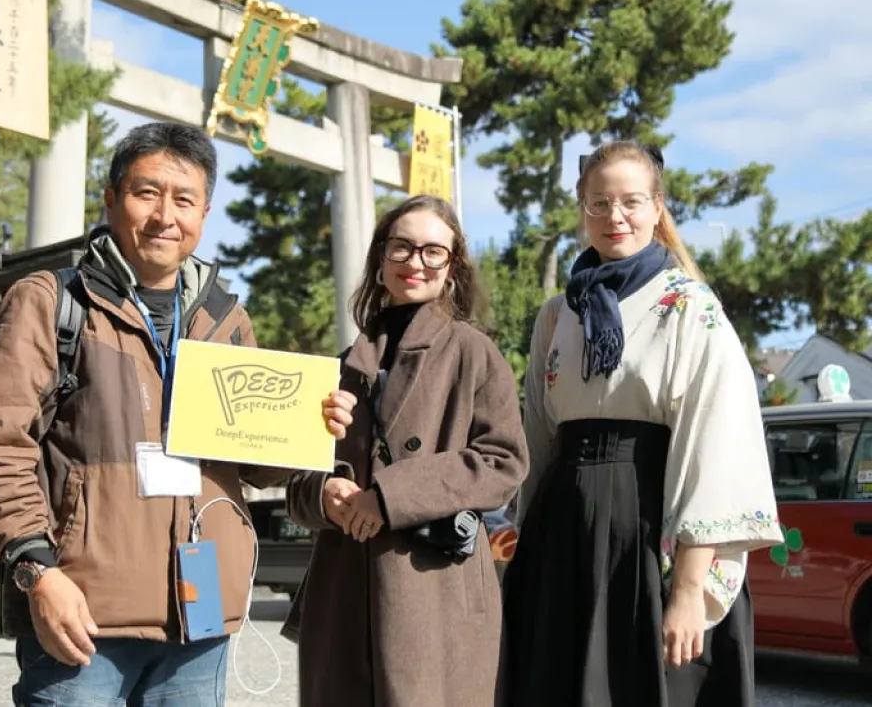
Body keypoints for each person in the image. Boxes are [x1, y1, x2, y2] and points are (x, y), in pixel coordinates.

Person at [0, 122, 355, 707]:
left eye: (184, 200)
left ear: (204, 214)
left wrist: (310, 425)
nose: (166, 215)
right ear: (112, 199)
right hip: (84, 608)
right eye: (147, 193)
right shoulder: (53, 302)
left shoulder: (224, 319)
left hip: (201, 611)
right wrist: (36, 568)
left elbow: (254, 465)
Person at [502, 141, 782, 706]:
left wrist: (689, 587)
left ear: (657, 208)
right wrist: (522, 541)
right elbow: (537, 432)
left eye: (631, 201)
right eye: (599, 202)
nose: (616, 216)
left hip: (653, 525)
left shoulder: (690, 307)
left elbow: (716, 445)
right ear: (582, 209)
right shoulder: (557, 314)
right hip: (564, 530)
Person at [288, 194, 530, 707]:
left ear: (453, 267)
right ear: (381, 258)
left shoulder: (474, 353)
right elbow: (298, 480)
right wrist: (324, 493)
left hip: (434, 591)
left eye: (433, 251)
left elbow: (503, 461)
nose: (415, 262)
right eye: (401, 247)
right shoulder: (341, 364)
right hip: (344, 593)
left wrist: (388, 497)